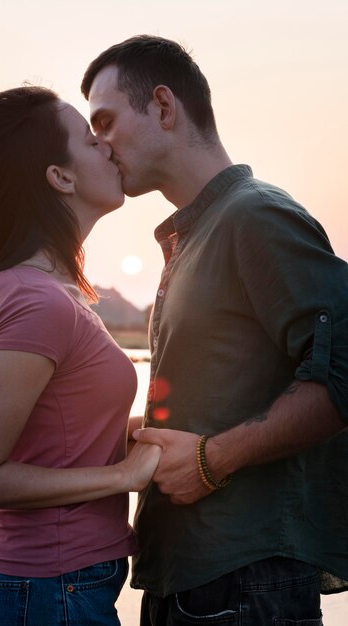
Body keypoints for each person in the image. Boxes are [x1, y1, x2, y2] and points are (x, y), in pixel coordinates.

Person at [81, 35, 348, 625]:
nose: (97, 145)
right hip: (195, 578)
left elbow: (342, 372)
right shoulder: (198, 233)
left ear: (163, 107)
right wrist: (152, 435)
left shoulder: (255, 216)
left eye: (104, 121)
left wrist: (211, 459)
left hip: (245, 583)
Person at [0, 85, 161, 626]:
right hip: (40, 595)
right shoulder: (40, 300)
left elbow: (46, 432)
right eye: (91, 139)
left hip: (36, 591)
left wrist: (122, 430)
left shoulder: (30, 288)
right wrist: (123, 476)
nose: (108, 146)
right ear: (59, 177)